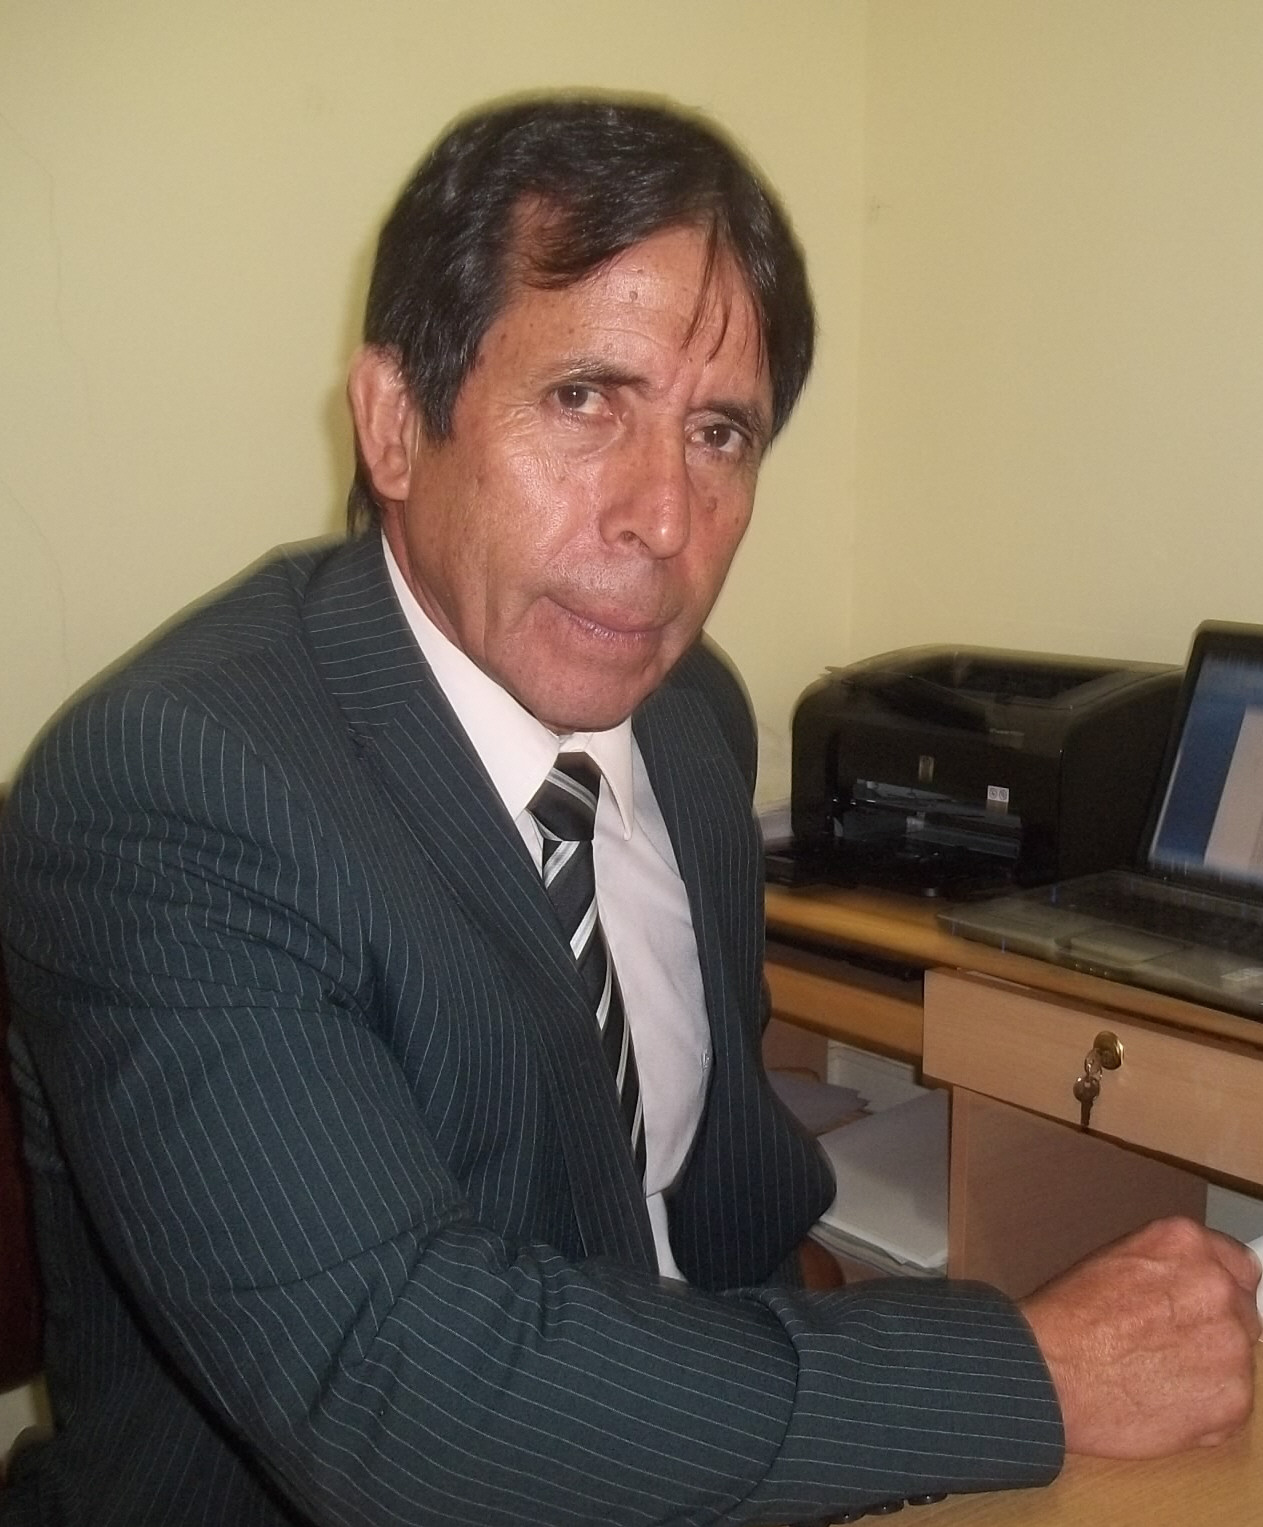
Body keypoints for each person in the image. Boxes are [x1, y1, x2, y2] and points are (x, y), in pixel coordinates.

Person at [0, 95, 1257, 1527]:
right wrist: (1025, 1371)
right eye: (584, 399)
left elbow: (722, 1206)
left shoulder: (685, 712)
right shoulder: (171, 790)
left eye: (719, 432)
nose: (663, 518)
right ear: (396, 426)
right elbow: (402, 1396)